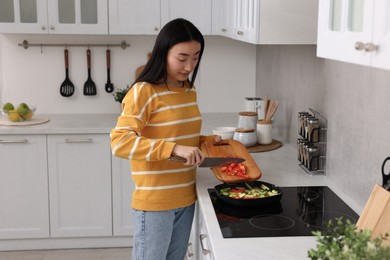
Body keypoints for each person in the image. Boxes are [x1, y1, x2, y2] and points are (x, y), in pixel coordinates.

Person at [110, 18, 220, 260]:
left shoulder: (188, 90)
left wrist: (207, 142)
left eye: (196, 56)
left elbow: (179, 136)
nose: (190, 65)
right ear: (163, 52)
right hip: (155, 202)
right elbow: (119, 142)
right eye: (182, 58)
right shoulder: (144, 92)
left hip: (186, 197)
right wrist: (173, 149)